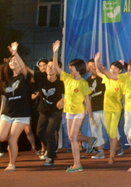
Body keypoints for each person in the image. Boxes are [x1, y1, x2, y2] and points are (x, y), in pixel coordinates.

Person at [96, 53, 131, 172]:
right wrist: (104, 69)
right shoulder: (126, 77)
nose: (130, 72)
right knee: (129, 135)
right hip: (128, 111)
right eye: (129, 70)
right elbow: (110, 76)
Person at [52, 40, 93, 173]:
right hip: (68, 111)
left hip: (79, 111)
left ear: (78, 68)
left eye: (72, 67)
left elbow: (87, 98)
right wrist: (55, 52)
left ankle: (77, 164)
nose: (69, 68)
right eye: (69, 67)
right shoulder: (67, 78)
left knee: (73, 137)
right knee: (71, 137)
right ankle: (89, 140)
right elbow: (56, 68)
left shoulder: (83, 83)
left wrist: (88, 111)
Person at [0, 42, 32, 172]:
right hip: (7, 113)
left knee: (12, 139)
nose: (13, 62)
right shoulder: (7, 79)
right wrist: (0, 113)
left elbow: (23, 67)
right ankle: (12, 144)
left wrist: (15, 53)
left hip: (21, 114)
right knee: (0, 137)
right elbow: (4, 97)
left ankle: (11, 164)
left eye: (15, 61)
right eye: (11, 61)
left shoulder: (24, 77)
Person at [34, 58, 64, 167]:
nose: (49, 68)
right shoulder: (41, 78)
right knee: (39, 132)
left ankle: (50, 157)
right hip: (43, 111)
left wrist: (63, 100)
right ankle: (52, 148)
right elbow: (25, 70)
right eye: (48, 66)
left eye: (52, 66)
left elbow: (70, 93)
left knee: (50, 132)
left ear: (58, 69)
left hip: (55, 112)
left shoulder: (61, 82)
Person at [97, 60, 125, 164]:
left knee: (113, 132)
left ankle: (112, 155)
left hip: (116, 110)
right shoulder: (107, 78)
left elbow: (124, 98)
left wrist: (125, 110)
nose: (113, 70)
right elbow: (98, 73)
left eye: (115, 69)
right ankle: (117, 146)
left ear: (120, 71)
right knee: (110, 133)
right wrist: (96, 61)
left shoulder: (122, 82)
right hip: (106, 109)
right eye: (111, 68)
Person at [86, 58, 107, 158]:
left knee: (112, 131)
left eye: (93, 66)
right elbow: (86, 97)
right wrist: (87, 107)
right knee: (95, 131)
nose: (91, 68)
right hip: (94, 109)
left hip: (106, 108)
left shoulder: (104, 77)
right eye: (90, 66)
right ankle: (100, 151)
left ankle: (117, 146)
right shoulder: (87, 81)